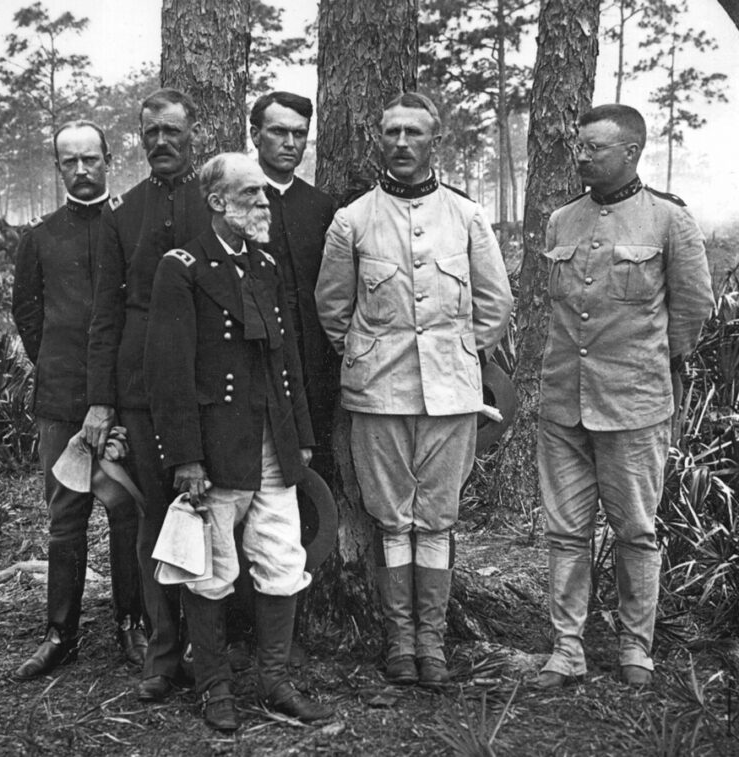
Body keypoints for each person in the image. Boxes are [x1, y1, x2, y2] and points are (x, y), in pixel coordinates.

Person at [316, 93, 513, 687]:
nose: (401, 142)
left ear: (435, 141)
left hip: (452, 397)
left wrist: (451, 354)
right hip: (378, 395)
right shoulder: (352, 221)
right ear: (379, 138)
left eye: (414, 133)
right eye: (391, 131)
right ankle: (400, 644)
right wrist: (372, 357)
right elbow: (332, 311)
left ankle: (434, 643)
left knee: (438, 520)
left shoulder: (467, 217)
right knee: (390, 520)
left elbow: (494, 306)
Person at [144, 152, 333, 730]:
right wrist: (186, 458)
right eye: (250, 194)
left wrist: (300, 435)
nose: (263, 203)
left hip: (272, 444)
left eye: (264, 194)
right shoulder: (182, 267)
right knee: (212, 570)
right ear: (218, 202)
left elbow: (287, 358)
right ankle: (214, 687)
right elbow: (168, 371)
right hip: (216, 446)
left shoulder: (267, 264)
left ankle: (276, 681)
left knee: (281, 559)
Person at [536, 104, 714, 689]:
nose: (581, 156)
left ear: (631, 152)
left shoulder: (668, 221)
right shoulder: (562, 221)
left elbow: (691, 311)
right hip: (564, 401)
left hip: (634, 406)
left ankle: (635, 648)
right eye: (579, 146)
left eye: (595, 148)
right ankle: (567, 650)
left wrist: (646, 369)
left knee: (635, 530)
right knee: (565, 531)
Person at [82, 88, 210, 702]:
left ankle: (210, 648)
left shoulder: (215, 200)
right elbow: (105, 316)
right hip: (139, 391)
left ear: (194, 134)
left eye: (173, 132)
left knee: (215, 514)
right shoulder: (121, 212)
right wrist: (102, 401)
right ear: (140, 137)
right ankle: (161, 656)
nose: (161, 142)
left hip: (209, 387)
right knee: (154, 518)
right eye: (151, 132)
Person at [11, 120, 145, 679]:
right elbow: (28, 316)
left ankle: (131, 626)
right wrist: (66, 376)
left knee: (126, 511)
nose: (83, 169)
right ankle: (59, 633)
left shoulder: (128, 226)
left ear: (108, 159)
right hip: (62, 401)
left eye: (92, 159)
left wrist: (110, 394)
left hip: (125, 399)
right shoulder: (38, 237)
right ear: (58, 167)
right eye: (71, 162)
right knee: (65, 515)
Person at [250, 91, 337, 480]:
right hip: (255, 360)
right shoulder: (238, 198)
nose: (290, 143)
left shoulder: (320, 206)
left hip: (314, 361)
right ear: (255, 135)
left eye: (299, 134)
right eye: (278, 131)